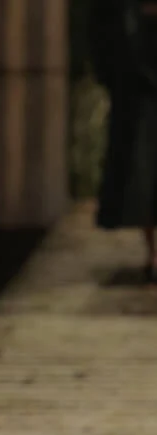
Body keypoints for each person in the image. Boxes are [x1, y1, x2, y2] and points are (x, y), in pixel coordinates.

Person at [90, 0, 157, 281]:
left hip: (139, 98)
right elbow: (103, 42)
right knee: (143, 182)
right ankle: (153, 254)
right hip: (138, 103)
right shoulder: (119, 8)